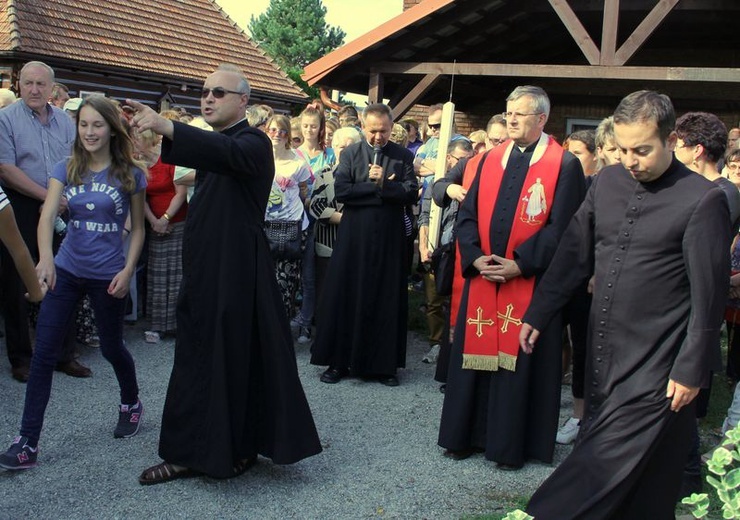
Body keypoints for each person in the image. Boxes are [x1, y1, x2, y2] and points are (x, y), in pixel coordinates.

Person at [520, 90, 731, 518]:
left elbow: (710, 295)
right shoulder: (608, 182)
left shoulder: (703, 199)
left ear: (672, 141)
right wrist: (541, 311)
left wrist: (692, 367)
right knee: (645, 480)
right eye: (622, 149)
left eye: (642, 150)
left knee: (596, 470)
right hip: (603, 355)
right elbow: (574, 253)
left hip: (658, 364)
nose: (631, 160)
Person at [128, 64, 321, 485]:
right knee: (199, 359)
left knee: (230, 361)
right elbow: (205, 156)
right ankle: (197, 451)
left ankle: (232, 449)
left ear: (243, 101)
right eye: (204, 92)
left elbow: (229, 155)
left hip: (237, 276)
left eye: (219, 92)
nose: (208, 98)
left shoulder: (252, 142)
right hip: (207, 273)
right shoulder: (218, 145)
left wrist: (165, 123)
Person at [437, 85, 585, 469]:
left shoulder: (564, 165)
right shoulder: (490, 160)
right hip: (484, 276)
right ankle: (464, 436)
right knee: (473, 360)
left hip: (529, 281)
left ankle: (510, 446)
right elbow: (466, 214)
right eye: (509, 112)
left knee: (520, 363)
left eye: (520, 113)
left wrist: (521, 263)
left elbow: (562, 228)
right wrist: (475, 257)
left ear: (541, 118)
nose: (512, 119)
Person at [0, 95, 147, 470]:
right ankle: (27, 442)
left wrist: (128, 270)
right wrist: (46, 259)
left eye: (98, 124)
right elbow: (47, 216)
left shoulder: (130, 173)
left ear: (112, 128)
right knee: (44, 354)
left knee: (113, 348)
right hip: (66, 271)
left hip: (108, 276)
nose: (90, 131)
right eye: (84, 124)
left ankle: (130, 401)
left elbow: (139, 228)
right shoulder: (65, 167)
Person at [311, 103, 418, 387]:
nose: (378, 137)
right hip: (353, 239)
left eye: (383, 131)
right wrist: (376, 189)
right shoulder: (350, 154)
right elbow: (343, 191)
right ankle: (339, 362)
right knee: (346, 295)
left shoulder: (403, 155)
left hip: (388, 241)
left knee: (385, 298)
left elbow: (410, 193)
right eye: (372, 131)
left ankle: (383, 367)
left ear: (390, 126)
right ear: (363, 126)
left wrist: (385, 185)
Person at [0, 61, 91, 382]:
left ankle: (63, 355)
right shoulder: (5, 119)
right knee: (17, 281)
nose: (35, 90)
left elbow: (77, 162)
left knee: (64, 280)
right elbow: (6, 169)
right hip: (21, 205)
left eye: (41, 84)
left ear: (52, 88)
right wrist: (45, 196)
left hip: (61, 204)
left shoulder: (66, 123)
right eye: (28, 83)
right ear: (18, 85)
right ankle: (21, 358)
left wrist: (67, 199)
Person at [417, 138, 474, 365]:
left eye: (468, 161)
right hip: (439, 250)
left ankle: (456, 346)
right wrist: (423, 246)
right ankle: (436, 344)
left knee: (459, 302)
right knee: (434, 301)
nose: (464, 165)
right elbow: (425, 217)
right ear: (450, 159)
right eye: (460, 160)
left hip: (461, 252)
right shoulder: (436, 184)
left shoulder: (473, 183)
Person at [136, 128, 188, 344]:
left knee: (178, 275)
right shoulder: (137, 164)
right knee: (156, 276)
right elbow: (140, 198)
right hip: (155, 225)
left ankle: (179, 325)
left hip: (178, 223)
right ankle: (157, 325)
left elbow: (181, 192)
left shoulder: (168, 159)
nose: (132, 143)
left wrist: (166, 217)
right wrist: (154, 221)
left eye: (136, 139)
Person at [309, 126, 362, 323]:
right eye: (341, 146)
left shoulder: (365, 176)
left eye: (351, 146)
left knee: (352, 294)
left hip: (357, 246)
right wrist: (346, 219)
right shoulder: (324, 173)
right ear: (333, 147)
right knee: (326, 294)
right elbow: (315, 205)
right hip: (328, 246)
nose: (345, 150)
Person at [266, 115, 312, 321]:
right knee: (264, 279)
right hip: (264, 224)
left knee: (286, 281)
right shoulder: (260, 157)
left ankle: (282, 329)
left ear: (288, 135)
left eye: (282, 131)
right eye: (273, 130)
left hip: (292, 227)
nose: (277, 135)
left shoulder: (298, 162)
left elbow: (304, 191)